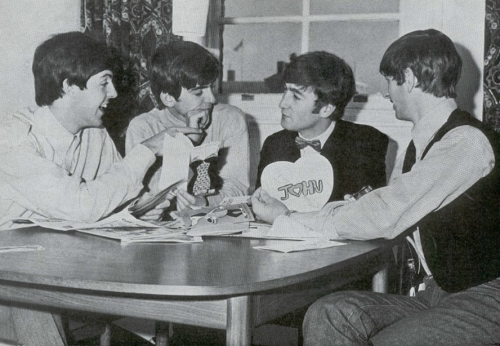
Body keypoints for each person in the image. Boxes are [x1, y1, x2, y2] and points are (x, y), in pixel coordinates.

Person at [252, 29, 500, 345]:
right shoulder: (423, 144)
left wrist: (288, 218)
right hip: (441, 291)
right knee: (330, 313)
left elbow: (385, 213)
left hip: (487, 296)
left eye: (389, 82)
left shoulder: (464, 143)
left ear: (408, 79)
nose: (386, 93)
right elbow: (382, 201)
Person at [0, 32, 200, 230]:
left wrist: (136, 211)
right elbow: (81, 208)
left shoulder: (95, 133)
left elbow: (109, 197)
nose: (113, 93)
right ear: (69, 86)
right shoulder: (12, 140)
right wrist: (147, 149)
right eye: (104, 83)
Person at [126, 41, 250, 211]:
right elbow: (148, 197)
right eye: (199, 92)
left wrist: (205, 203)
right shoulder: (143, 127)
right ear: (168, 98)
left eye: (212, 87)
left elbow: (239, 188)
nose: (211, 99)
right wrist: (188, 142)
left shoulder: (230, 119)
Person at [255, 51, 388, 202]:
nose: (282, 103)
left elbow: (365, 214)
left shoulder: (366, 142)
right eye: (285, 90)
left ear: (326, 109)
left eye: (296, 96)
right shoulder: (274, 144)